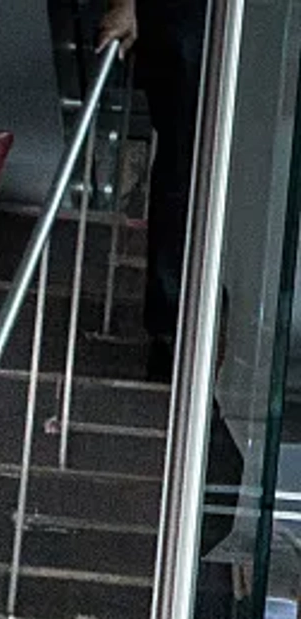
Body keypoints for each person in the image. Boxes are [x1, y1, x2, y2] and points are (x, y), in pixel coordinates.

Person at [98, 0, 205, 382]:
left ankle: (191, 319)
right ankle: (171, 327)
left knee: (191, 163)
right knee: (185, 160)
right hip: (186, 21)